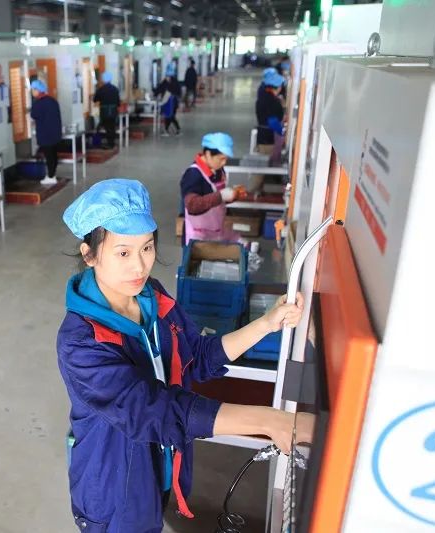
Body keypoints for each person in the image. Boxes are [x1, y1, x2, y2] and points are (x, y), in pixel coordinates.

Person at [57, 178, 311, 533]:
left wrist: (267, 324)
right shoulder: (81, 340)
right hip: (114, 487)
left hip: (161, 463)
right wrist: (269, 421)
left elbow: (197, 356)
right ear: (89, 254)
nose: (140, 267)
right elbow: (152, 410)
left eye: (147, 248)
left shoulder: (153, 298)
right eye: (123, 253)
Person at [180, 133, 242, 244]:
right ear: (208, 154)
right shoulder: (193, 175)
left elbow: (215, 198)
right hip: (197, 236)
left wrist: (232, 196)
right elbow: (192, 205)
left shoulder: (218, 170)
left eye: (226, 159)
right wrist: (221, 196)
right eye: (221, 159)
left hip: (215, 230)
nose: (224, 163)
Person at [30, 79, 63, 186]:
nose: (32, 92)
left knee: (49, 156)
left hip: (45, 135)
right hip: (55, 134)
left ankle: (51, 176)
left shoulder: (38, 103)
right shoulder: (52, 101)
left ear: (38, 90)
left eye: (33, 90)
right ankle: (52, 174)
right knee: (53, 155)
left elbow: (33, 115)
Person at [255, 70, 286, 166]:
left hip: (262, 135)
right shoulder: (272, 101)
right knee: (265, 164)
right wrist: (282, 132)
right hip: (268, 138)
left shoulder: (264, 96)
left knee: (263, 162)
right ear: (278, 87)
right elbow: (272, 122)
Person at [92, 72, 120, 149]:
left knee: (105, 128)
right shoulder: (115, 89)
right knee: (112, 128)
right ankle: (111, 143)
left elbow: (95, 100)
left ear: (104, 80)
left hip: (104, 112)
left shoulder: (101, 89)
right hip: (113, 112)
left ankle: (107, 144)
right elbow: (118, 102)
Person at [155, 65, 181, 136]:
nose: (167, 77)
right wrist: (155, 93)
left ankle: (173, 129)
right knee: (169, 116)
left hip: (173, 103)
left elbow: (178, 92)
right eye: (166, 76)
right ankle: (170, 130)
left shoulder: (175, 83)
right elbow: (160, 88)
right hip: (168, 103)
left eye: (168, 76)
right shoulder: (165, 82)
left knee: (171, 116)